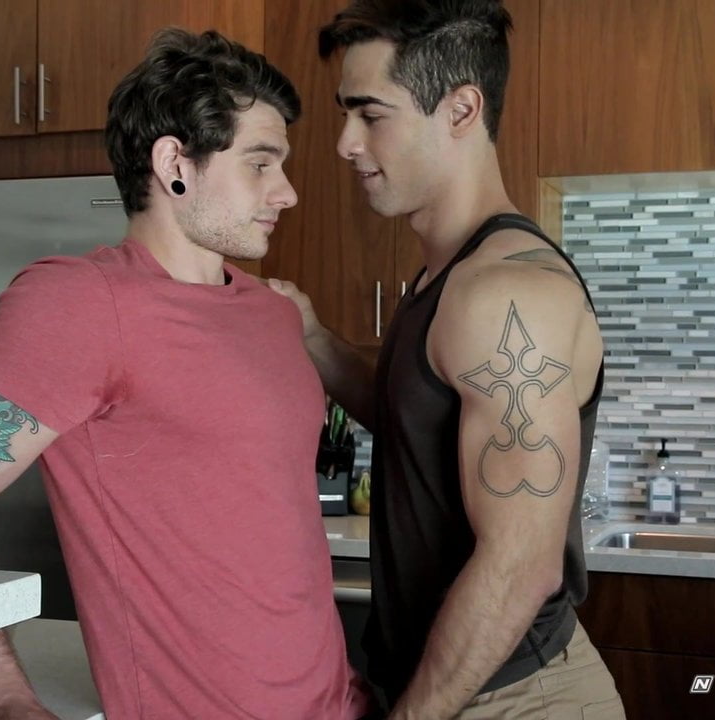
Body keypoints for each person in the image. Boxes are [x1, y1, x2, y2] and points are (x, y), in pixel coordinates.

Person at [0, 28, 369, 720]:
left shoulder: (272, 313)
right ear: (174, 163)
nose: (285, 193)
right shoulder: (80, 304)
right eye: (260, 164)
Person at [268, 1, 627, 718]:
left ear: (461, 109)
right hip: (458, 683)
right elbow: (412, 421)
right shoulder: (448, 277)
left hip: (514, 699)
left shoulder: (506, 293)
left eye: (371, 115)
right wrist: (312, 335)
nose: (345, 143)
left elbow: (519, 568)